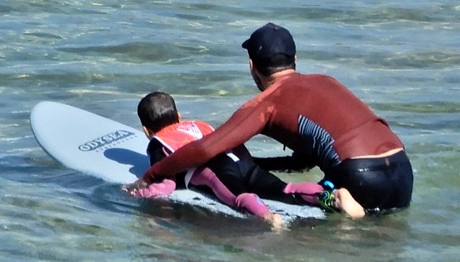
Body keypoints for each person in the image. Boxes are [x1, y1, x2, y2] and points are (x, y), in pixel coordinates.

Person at [125, 23, 412, 214]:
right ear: (295, 59)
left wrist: (153, 174)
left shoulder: (265, 104)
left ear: (252, 66)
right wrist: (254, 166)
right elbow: (304, 161)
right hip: (402, 170)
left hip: (357, 178)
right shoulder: (327, 81)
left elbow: (206, 148)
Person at [129, 91, 359, 228]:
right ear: (180, 116)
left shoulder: (159, 143)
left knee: (240, 197)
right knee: (284, 189)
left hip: (218, 171)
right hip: (242, 159)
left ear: (146, 130)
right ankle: (331, 196)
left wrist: (140, 194)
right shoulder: (198, 124)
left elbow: (165, 182)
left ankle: (269, 218)